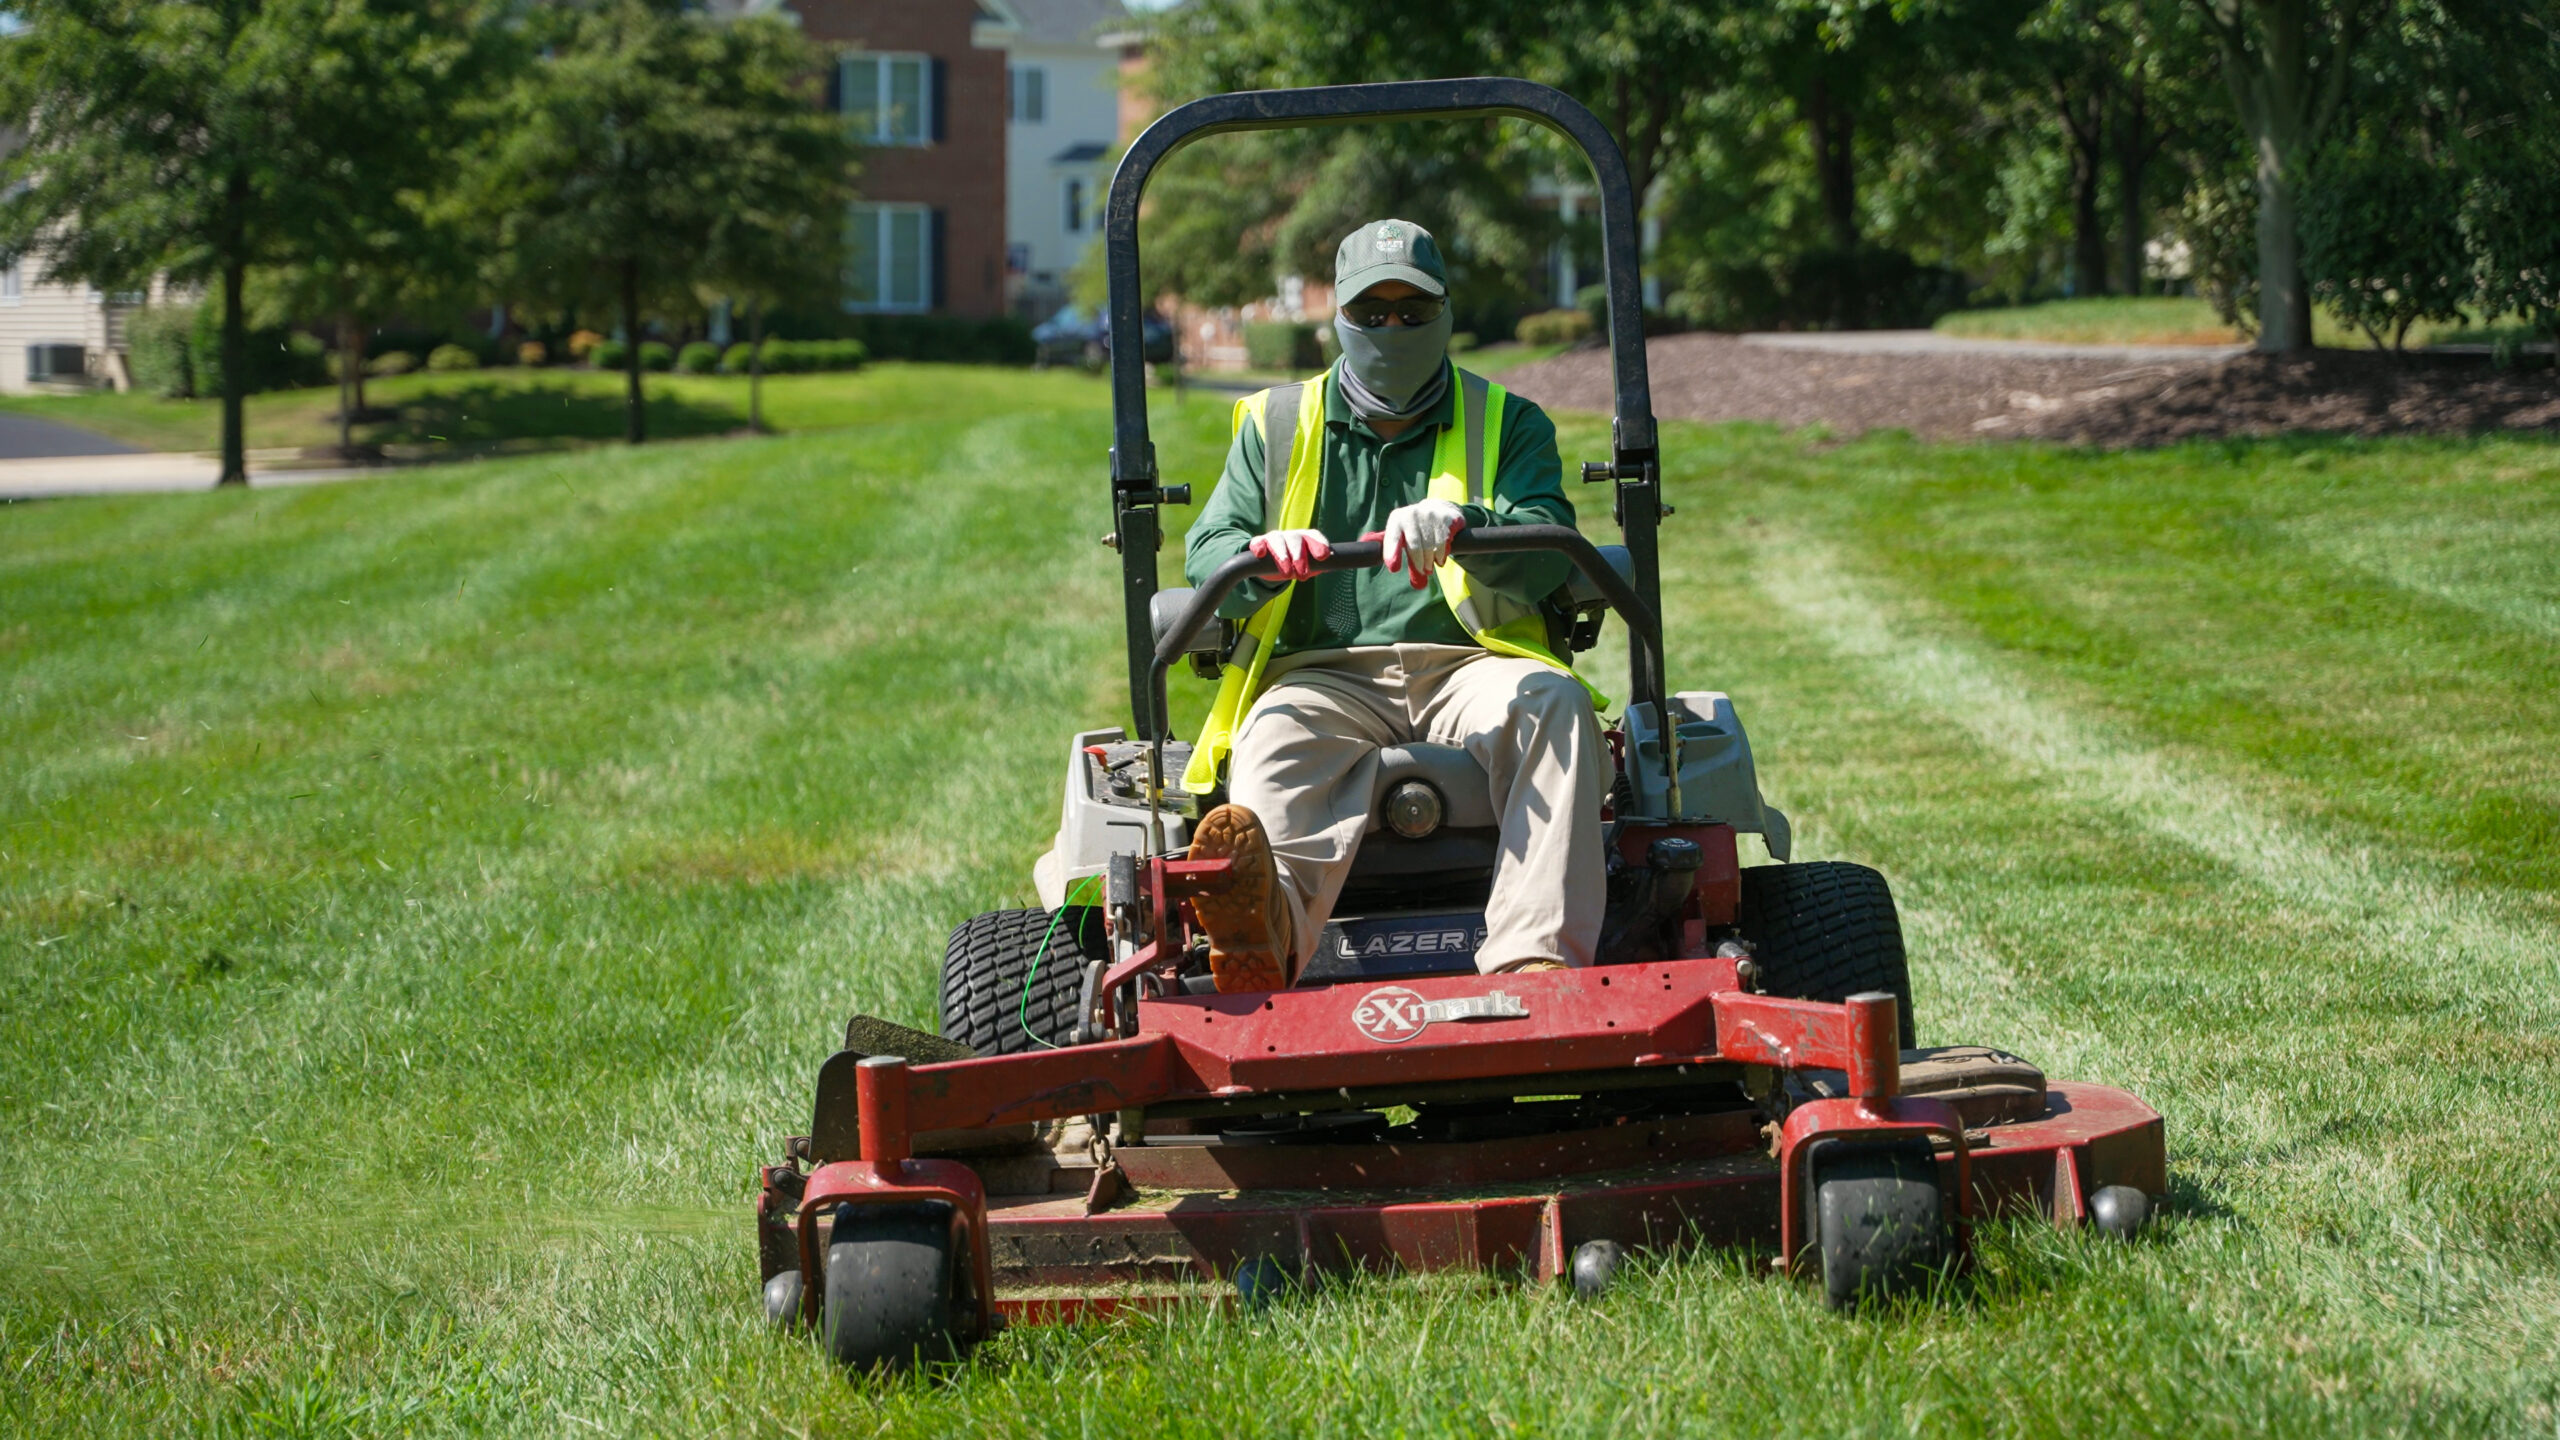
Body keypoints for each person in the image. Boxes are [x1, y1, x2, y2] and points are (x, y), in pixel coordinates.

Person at [1179, 218, 1606, 993]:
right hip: (1321, 675)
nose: (1393, 328)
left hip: (1472, 665)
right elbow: (1209, 553)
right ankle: (1259, 940)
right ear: (1338, 319)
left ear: (1444, 314)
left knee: (1554, 702)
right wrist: (1263, 562)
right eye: (1371, 314)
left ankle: (1536, 962)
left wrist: (1467, 527)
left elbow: (1549, 553)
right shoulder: (1275, 425)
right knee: (1273, 747)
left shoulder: (1509, 424)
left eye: (1413, 311)